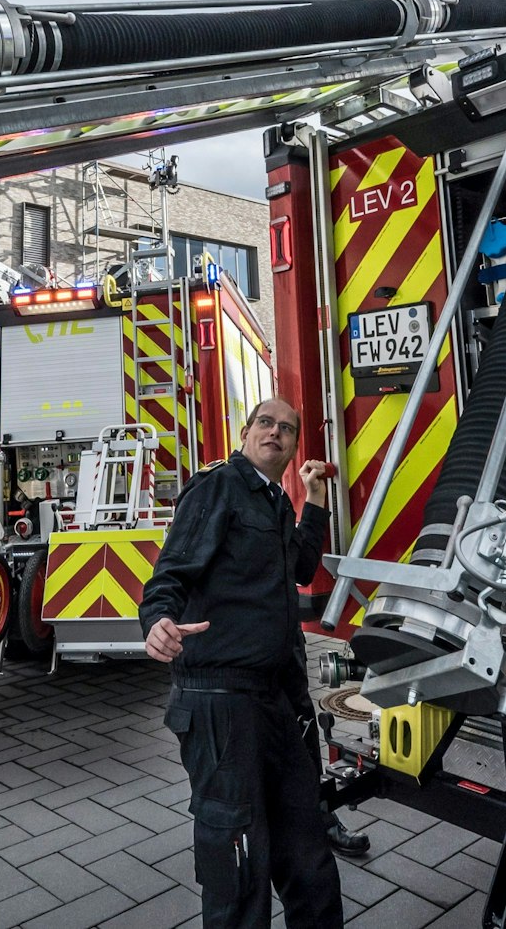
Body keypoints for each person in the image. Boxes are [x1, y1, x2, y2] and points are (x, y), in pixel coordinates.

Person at [140, 398, 346, 929]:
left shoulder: (275, 501)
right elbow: (171, 572)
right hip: (221, 704)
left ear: (295, 445)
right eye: (265, 423)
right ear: (244, 431)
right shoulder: (218, 487)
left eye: (288, 428)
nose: (275, 432)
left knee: (309, 855)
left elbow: (301, 567)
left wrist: (315, 499)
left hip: (276, 700)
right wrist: (158, 621)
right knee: (238, 866)